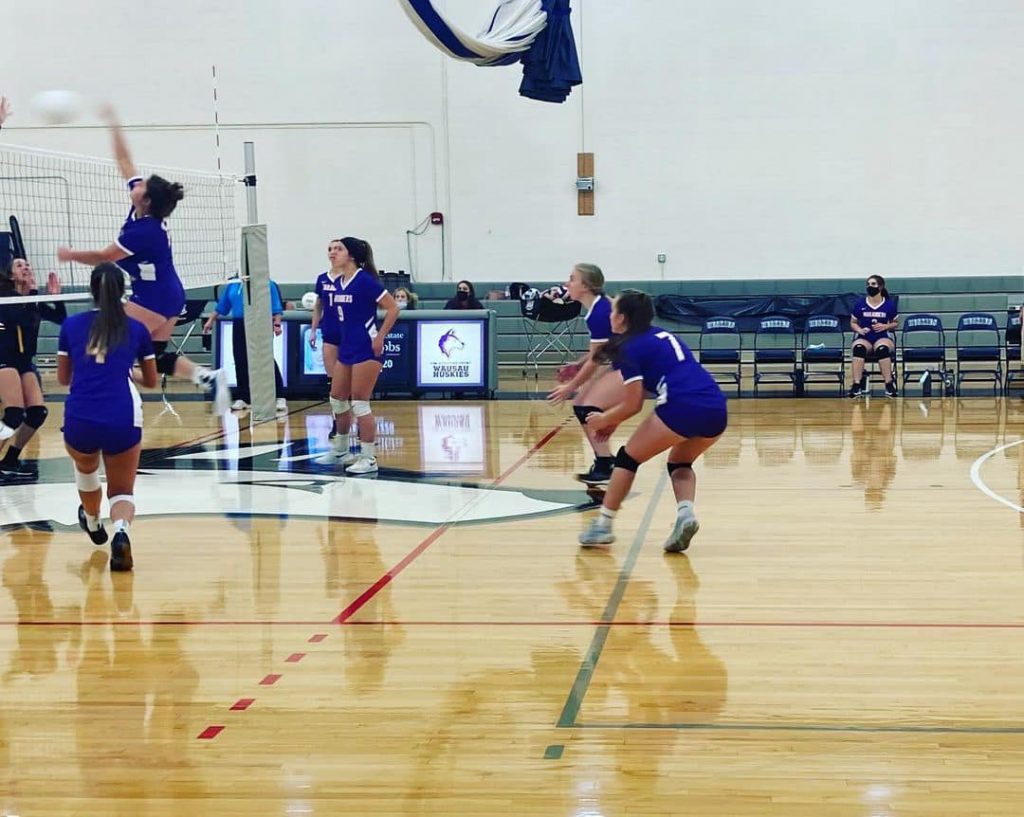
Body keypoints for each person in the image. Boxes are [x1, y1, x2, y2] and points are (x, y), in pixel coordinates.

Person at [55, 104, 229, 414]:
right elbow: (124, 162)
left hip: (154, 297)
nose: (136, 184)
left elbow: (104, 257)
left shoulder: (144, 232)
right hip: (167, 293)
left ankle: (112, 403)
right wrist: (113, 124)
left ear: (146, 201)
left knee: (106, 343)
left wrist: (70, 255)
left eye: (142, 186)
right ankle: (208, 378)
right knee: (157, 356)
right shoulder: (143, 209)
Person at [577, 291, 727, 552]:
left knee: (627, 459)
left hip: (681, 405)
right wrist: (614, 420)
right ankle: (685, 513)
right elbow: (648, 389)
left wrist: (603, 418)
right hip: (715, 407)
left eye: (613, 311)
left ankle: (603, 525)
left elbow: (633, 404)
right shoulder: (665, 336)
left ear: (622, 318)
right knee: (679, 462)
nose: (610, 315)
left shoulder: (627, 348)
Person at [58, 263, 158, 572]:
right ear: (123, 292)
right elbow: (152, 381)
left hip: (81, 414)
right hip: (122, 413)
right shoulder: (137, 329)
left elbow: (64, 378)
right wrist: (125, 369)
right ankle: (121, 533)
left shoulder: (71, 326)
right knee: (122, 489)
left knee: (86, 469)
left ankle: (91, 520)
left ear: (91, 291)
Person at [314, 237, 400, 475]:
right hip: (347, 347)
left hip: (365, 347)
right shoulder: (339, 281)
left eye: (339, 249)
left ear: (350, 255)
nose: (333, 253)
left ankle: (368, 457)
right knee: (337, 399)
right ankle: (341, 450)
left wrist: (380, 336)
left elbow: (393, 308)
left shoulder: (364, 281)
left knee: (360, 404)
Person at [547, 263, 622, 484]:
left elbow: (597, 359)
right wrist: (577, 366)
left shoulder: (599, 312)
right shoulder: (599, 308)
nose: (566, 283)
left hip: (635, 367)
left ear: (586, 286)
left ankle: (605, 463)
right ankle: (605, 460)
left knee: (583, 404)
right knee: (584, 403)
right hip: (626, 363)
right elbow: (601, 352)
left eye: (572, 279)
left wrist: (570, 386)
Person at [0, 259, 65, 480]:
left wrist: (55, 297)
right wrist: (35, 293)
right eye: (19, 266)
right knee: (14, 414)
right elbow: (19, 316)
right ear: (10, 276)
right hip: (4, 359)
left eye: (28, 265)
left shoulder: (33, 300)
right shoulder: (6, 299)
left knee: (37, 412)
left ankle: (10, 459)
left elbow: (61, 318)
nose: (26, 267)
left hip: (24, 361)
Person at [203, 277, 287, 413]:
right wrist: (210, 320)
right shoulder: (233, 285)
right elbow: (222, 306)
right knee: (240, 360)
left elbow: (276, 306)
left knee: (265, 359)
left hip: (259, 323)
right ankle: (245, 398)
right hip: (239, 324)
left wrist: (277, 324)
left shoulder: (266, 283)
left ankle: (279, 396)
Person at [849, 274, 899, 398]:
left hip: (882, 337)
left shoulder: (889, 304)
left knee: (882, 350)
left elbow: (896, 323)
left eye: (873, 284)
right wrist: (859, 330)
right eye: (868, 284)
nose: (870, 287)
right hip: (865, 337)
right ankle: (856, 385)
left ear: (880, 287)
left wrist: (885, 326)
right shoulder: (860, 303)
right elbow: (853, 323)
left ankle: (888, 384)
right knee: (858, 349)